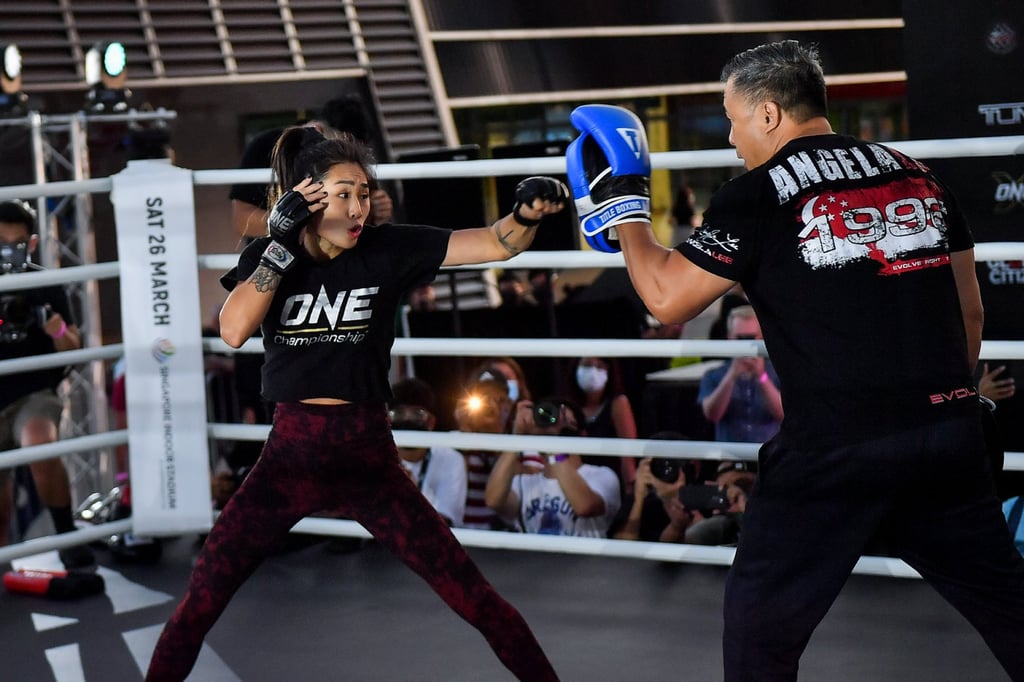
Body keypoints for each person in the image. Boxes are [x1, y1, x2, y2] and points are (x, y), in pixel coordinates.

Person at [565, 40, 1024, 680]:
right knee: (1010, 607)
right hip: (946, 436)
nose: (730, 137)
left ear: (770, 114)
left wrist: (629, 212)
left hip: (835, 453)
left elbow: (666, 299)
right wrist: (937, 400)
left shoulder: (755, 194)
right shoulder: (917, 174)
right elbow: (969, 313)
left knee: (760, 632)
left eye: (732, 117)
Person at [145, 125, 568, 681]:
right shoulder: (271, 256)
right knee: (200, 601)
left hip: (369, 462)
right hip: (287, 464)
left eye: (363, 193)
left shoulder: (387, 248)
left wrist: (527, 216)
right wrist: (277, 246)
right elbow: (232, 329)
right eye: (342, 193)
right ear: (308, 196)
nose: (357, 207)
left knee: (473, 595)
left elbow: (494, 242)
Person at [0, 200, 95, 569]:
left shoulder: (45, 283)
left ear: (33, 243)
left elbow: (71, 348)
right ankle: (6, 564)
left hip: (34, 395)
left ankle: (65, 535)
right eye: (2, 241)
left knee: (39, 442)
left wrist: (52, 326)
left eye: (17, 242)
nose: (10, 250)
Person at [229, 96, 394, 241]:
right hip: (283, 258)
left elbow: (367, 215)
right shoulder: (265, 146)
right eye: (339, 151)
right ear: (318, 129)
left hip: (337, 261)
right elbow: (242, 220)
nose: (344, 159)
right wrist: (295, 223)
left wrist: (376, 209)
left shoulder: (353, 161)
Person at [485, 398, 620, 537]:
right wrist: (517, 435)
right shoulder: (524, 483)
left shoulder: (602, 475)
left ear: (581, 434)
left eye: (567, 422)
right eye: (548, 417)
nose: (553, 423)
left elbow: (584, 507)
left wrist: (553, 442)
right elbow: (493, 501)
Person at [697, 305, 783, 443]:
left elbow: (783, 414)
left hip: (770, 457)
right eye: (740, 338)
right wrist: (731, 376)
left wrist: (762, 377)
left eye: (751, 337)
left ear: (762, 338)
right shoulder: (713, 375)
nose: (746, 343)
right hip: (729, 457)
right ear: (729, 337)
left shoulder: (779, 373)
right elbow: (712, 415)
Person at [390, 377, 467, 527]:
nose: (407, 420)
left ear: (431, 422)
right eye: (398, 414)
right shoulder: (373, 459)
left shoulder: (451, 460)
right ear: (387, 420)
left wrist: (412, 495)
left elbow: (445, 525)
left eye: (417, 414)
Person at [568, 356, 638, 489]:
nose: (593, 372)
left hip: (611, 484)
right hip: (576, 484)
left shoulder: (618, 404)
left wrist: (631, 493)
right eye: (587, 365)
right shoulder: (567, 406)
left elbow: (627, 456)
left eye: (600, 366)